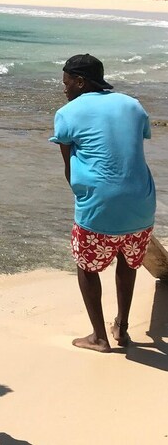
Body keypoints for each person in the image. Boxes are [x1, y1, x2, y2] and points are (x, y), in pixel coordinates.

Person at [50, 53, 155, 353]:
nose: (64, 89)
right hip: (143, 204)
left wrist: (88, 201)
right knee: (128, 261)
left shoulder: (67, 113)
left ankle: (99, 337)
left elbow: (70, 171)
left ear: (80, 82)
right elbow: (129, 149)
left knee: (87, 266)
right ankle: (121, 328)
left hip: (99, 207)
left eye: (67, 82)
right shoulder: (133, 105)